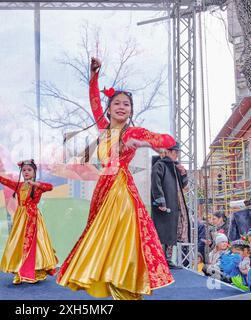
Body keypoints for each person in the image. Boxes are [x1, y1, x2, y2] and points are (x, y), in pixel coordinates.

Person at [56, 57, 176, 300]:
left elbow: (167, 140)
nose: (122, 107)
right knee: (103, 239)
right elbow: (93, 102)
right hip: (104, 188)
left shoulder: (133, 131)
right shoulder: (104, 128)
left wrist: (142, 142)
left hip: (121, 189)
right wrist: (94, 76)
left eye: (127, 105)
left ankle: (128, 288)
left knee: (123, 237)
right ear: (109, 108)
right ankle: (114, 284)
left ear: (131, 111)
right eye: (117, 103)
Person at [0, 159, 58, 284]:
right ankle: (19, 271)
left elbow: (50, 187)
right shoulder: (19, 186)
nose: (26, 172)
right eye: (24, 170)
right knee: (18, 243)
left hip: (33, 217)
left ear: (34, 172)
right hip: (20, 218)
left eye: (29, 170)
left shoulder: (38, 187)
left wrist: (36, 184)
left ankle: (35, 270)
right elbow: (4, 181)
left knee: (35, 243)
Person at [151, 142, 191, 268]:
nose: (177, 155)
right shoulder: (160, 165)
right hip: (166, 204)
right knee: (163, 232)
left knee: (172, 231)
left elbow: (183, 186)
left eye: (177, 153)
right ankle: (159, 260)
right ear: (169, 151)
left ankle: (167, 259)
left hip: (175, 203)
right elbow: (155, 184)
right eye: (175, 152)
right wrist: (160, 201)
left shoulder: (175, 167)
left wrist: (183, 173)